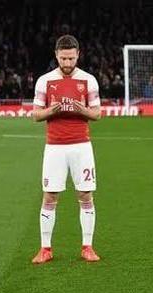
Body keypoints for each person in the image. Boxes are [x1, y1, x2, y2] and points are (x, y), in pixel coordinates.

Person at [31, 35, 101, 264]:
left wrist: (81, 109)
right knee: (50, 195)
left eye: (71, 58)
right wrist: (52, 110)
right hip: (55, 148)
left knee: (85, 194)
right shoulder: (45, 81)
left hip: (81, 146)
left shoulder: (88, 80)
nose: (67, 63)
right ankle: (45, 249)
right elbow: (36, 115)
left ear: (78, 55)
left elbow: (97, 114)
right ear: (56, 55)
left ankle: (87, 247)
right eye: (63, 58)